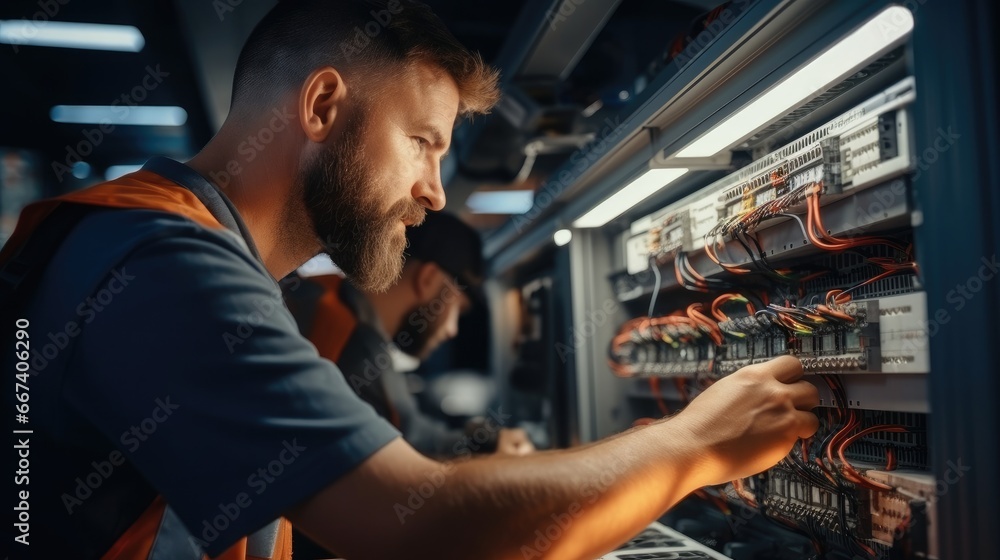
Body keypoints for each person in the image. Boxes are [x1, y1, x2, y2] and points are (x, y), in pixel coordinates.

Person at [1, 1, 819, 559]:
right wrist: (697, 443)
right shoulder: (163, 263)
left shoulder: (169, 247)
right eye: (422, 141)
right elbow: (423, 524)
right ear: (323, 105)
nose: (432, 190)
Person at [284, 211, 534, 459]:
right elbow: (410, 442)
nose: (452, 330)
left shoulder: (320, 292)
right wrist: (487, 446)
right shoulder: (357, 348)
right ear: (427, 279)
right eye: (458, 308)